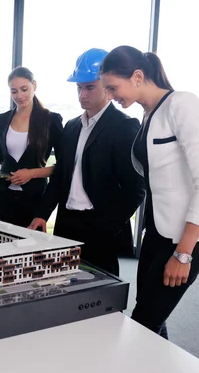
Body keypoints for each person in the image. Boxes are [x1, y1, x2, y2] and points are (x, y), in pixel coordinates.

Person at [100, 45, 199, 338]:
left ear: (137, 76)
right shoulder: (148, 113)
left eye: (113, 88)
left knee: (144, 323)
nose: (111, 97)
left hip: (185, 239)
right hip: (156, 232)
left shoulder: (182, 104)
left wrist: (184, 254)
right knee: (149, 314)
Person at [29, 48, 145, 276]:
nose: (82, 95)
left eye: (90, 87)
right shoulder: (71, 127)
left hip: (100, 226)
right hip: (67, 224)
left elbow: (136, 190)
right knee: (62, 287)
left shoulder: (124, 126)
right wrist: (42, 214)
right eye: (79, 88)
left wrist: (108, 226)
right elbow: (60, 177)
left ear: (107, 85)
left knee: (101, 294)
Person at [0, 66, 63, 228]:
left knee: (31, 250)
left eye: (24, 89)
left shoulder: (51, 120)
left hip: (35, 201)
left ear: (34, 86)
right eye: (14, 91)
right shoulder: (2, 120)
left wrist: (32, 174)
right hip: (4, 198)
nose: (19, 96)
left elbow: (63, 166)